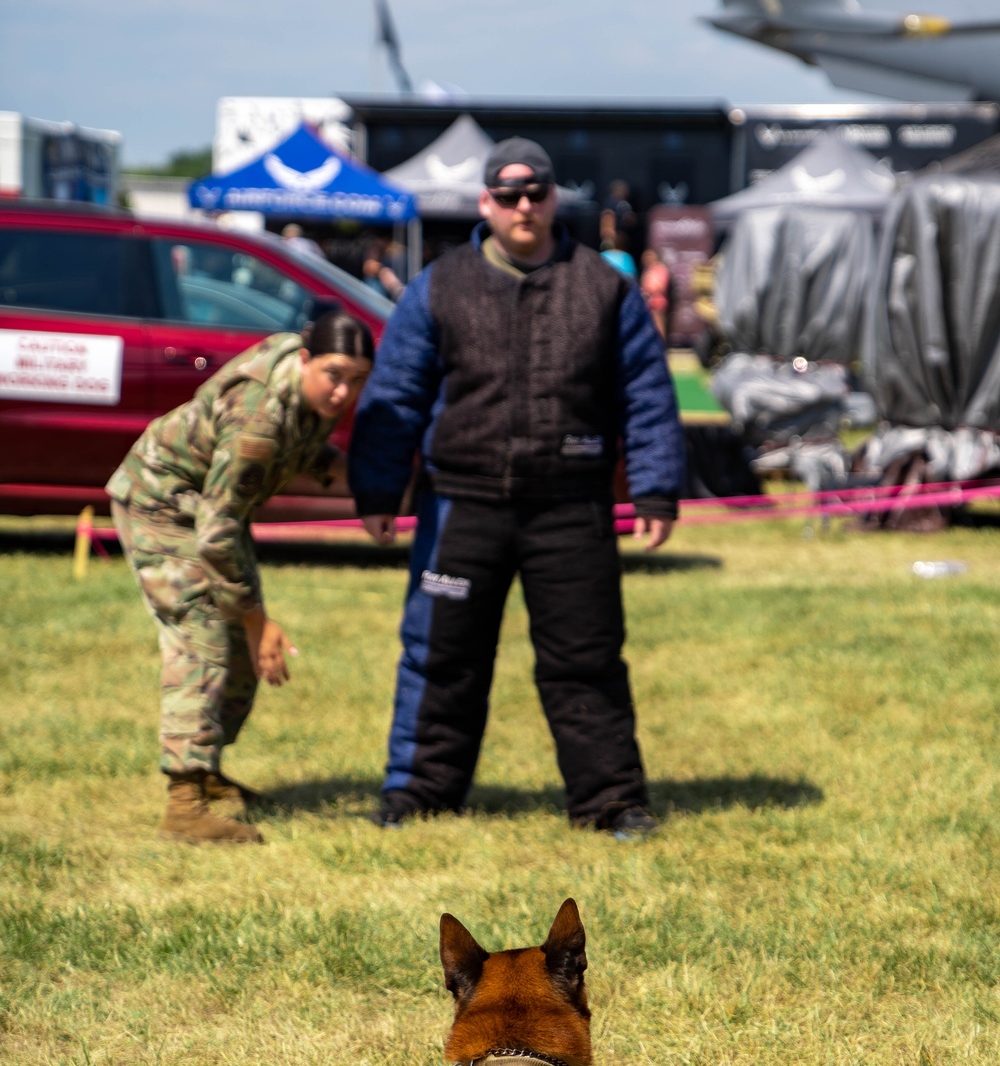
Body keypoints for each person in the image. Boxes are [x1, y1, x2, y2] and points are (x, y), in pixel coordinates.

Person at [348, 136, 685, 837]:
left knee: (586, 661)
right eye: (508, 195)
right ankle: (417, 793)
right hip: (459, 507)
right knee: (440, 657)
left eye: (536, 192)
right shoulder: (439, 284)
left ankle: (612, 801)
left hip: (572, 507)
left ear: (555, 197)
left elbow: (647, 395)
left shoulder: (603, 286)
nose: (523, 205)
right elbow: (396, 393)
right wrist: (379, 492)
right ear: (485, 203)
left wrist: (655, 489)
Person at [107, 310, 374, 844]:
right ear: (305, 360)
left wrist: (374, 480)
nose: (344, 392)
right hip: (163, 506)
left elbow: (300, 446)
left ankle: (205, 774)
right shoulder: (258, 418)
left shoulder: (307, 389)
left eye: (358, 379)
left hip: (207, 514)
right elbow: (216, 531)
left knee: (243, 648)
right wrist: (256, 621)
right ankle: (184, 807)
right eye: (335, 375)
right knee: (205, 632)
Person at [640, 249, 670, 340]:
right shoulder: (648, 269)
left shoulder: (660, 269)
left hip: (658, 301)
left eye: (650, 255)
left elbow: (661, 285)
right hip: (649, 302)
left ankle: (660, 345)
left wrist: (649, 289)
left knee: (659, 325)